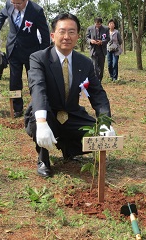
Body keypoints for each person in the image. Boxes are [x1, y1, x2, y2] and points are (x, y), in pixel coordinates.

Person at [24, 13, 114, 177]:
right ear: (53, 36)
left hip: (71, 113)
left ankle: (68, 148)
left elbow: (97, 94)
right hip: (48, 112)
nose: (67, 36)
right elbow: (38, 88)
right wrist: (42, 121)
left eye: (72, 32)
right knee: (39, 123)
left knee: (95, 133)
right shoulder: (38, 59)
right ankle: (44, 159)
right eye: (62, 31)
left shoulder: (85, 62)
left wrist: (104, 121)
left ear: (78, 36)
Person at [0, 0, 50, 118]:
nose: (15, 6)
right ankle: (17, 108)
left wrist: (43, 53)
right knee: (14, 80)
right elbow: (2, 15)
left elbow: (45, 33)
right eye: (13, 2)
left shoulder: (36, 10)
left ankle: (36, 107)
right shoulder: (9, 4)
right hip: (13, 48)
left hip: (31, 51)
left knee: (34, 80)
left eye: (18, 3)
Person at [86, 17, 109, 81]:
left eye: (99, 24)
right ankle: (96, 81)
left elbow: (108, 38)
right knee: (94, 67)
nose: (98, 26)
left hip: (102, 51)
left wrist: (102, 42)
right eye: (96, 24)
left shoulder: (106, 29)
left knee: (101, 67)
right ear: (94, 23)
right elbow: (87, 38)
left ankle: (100, 79)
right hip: (94, 50)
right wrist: (91, 41)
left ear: (101, 23)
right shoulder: (90, 28)